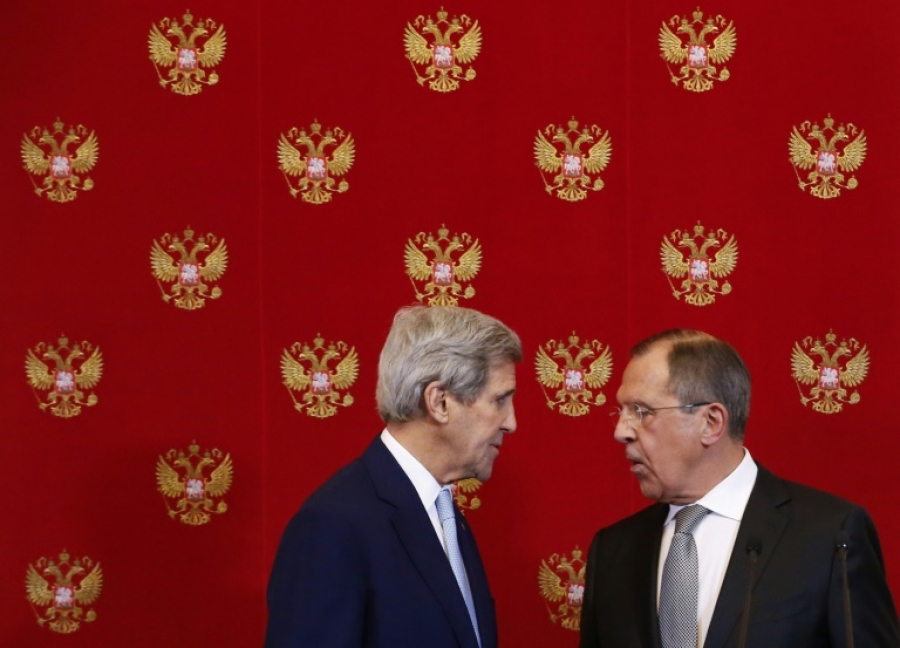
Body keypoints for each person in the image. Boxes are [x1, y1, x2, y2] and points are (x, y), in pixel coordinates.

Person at [579, 329, 899, 648]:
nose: (621, 431)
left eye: (640, 411)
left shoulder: (829, 536)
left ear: (711, 422)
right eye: (620, 412)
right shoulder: (612, 551)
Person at [266, 305, 521, 648]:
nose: (511, 423)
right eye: (499, 400)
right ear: (439, 402)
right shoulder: (333, 525)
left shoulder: (447, 516)